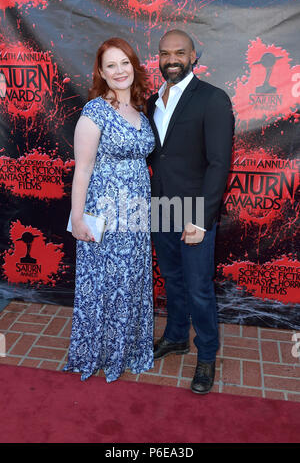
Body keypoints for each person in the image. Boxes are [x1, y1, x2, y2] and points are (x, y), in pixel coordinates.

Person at [63, 38, 155, 382]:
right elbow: (83, 168)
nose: (119, 71)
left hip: (136, 213)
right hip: (104, 213)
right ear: (101, 72)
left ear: (134, 66)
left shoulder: (141, 112)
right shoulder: (95, 111)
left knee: (131, 281)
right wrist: (76, 218)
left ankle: (128, 349)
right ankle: (98, 352)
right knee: (104, 283)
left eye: (125, 63)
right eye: (111, 65)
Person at [147, 30, 234, 394]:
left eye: (179, 53)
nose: (172, 60)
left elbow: (218, 163)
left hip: (194, 209)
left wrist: (200, 218)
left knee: (199, 288)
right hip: (162, 205)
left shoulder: (212, 99)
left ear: (194, 55)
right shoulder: (154, 100)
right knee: (172, 278)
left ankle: (207, 356)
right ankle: (177, 336)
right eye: (165, 54)